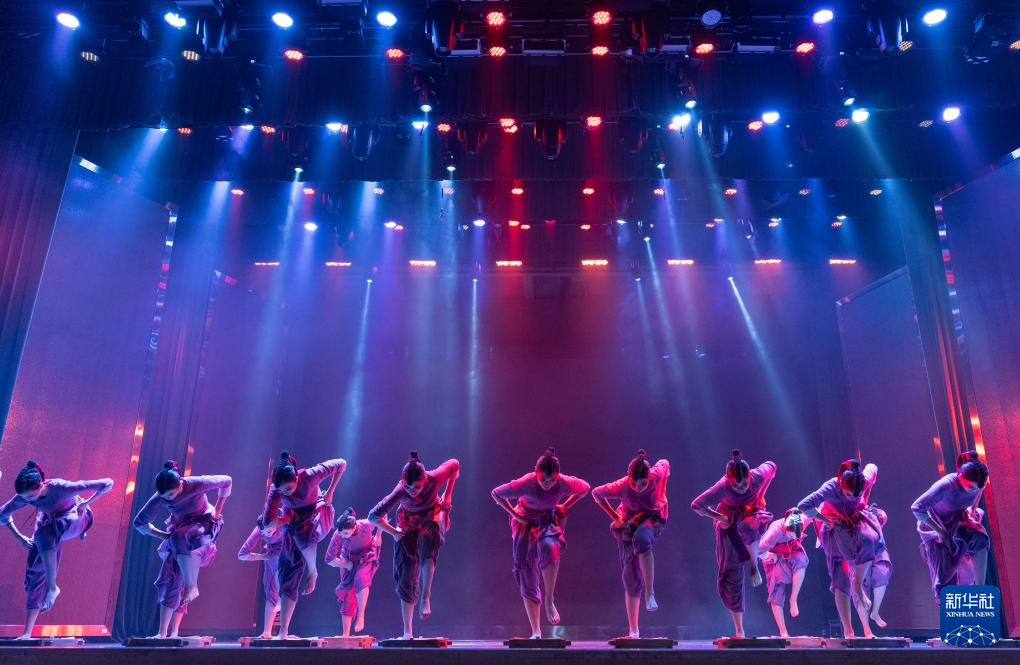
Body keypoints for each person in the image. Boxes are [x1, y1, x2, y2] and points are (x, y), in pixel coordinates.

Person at [0, 461, 113, 640]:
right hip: (49, 520)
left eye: (31, 497)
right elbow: (2, 514)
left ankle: (52, 587)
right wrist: (19, 537)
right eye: (26, 499)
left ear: (41, 485)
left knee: (45, 533)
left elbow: (107, 483)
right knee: (34, 570)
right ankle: (27, 633)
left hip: (76, 517)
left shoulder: (61, 488)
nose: (29, 501)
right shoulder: (25, 496)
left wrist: (86, 503)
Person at [491, 448, 590, 639]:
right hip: (526, 522)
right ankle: (536, 630)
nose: (547, 483)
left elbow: (585, 488)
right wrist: (515, 515)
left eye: (551, 480)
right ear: (536, 473)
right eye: (543, 479)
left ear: (557, 476)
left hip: (546, 520)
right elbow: (497, 494)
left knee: (550, 546)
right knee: (526, 571)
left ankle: (549, 600)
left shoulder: (563, 482)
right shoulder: (527, 482)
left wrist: (564, 505)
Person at [133, 461, 231, 638]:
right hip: (180, 531)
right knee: (171, 576)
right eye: (164, 497)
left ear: (179, 485)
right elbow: (139, 522)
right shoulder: (162, 496)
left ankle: (191, 586)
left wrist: (217, 510)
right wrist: (163, 535)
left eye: (170, 495)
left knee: (179, 540)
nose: (168, 499)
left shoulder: (196, 483)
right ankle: (163, 633)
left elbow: (227, 481)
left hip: (204, 525)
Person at [368, 451, 460, 640]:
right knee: (406, 572)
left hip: (430, 516)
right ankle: (407, 632)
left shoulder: (434, 477)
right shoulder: (400, 490)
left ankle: (426, 597)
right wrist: (394, 532)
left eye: (416, 487)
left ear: (424, 479)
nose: (412, 491)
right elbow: (373, 516)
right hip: (407, 522)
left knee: (429, 546)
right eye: (408, 488)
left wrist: (448, 493)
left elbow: (454, 464)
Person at [797, 459, 887, 638]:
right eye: (847, 494)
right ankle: (848, 631)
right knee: (840, 579)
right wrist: (825, 520)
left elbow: (873, 467)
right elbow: (804, 505)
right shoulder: (831, 486)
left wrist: (865, 496)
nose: (851, 498)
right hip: (834, 529)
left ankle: (860, 597)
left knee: (870, 539)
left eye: (856, 495)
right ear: (841, 484)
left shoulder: (864, 479)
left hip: (855, 523)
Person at [261, 452, 346, 639]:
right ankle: (283, 631)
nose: (285, 493)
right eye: (281, 491)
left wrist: (330, 492)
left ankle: (312, 571)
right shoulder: (276, 490)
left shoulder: (310, 475)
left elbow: (341, 463)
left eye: (288, 488)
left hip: (317, 515)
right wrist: (277, 522)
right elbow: (267, 522)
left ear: (297, 479)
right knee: (287, 574)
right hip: (292, 522)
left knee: (303, 535)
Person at [691, 450, 776, 638]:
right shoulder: (723, 486)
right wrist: (719, 516)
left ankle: (754, 563)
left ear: (749, 477)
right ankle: (740, 630)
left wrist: (761, 494)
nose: (741, 488)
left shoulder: (757, 476)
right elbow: (697, 505)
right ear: (729, 481)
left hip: (751, 516)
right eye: (736, 485)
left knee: (747, 526)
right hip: (728, 523)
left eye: (744, 483)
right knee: (731, 572)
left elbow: (772, 466)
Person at [592, 450, 669, 638]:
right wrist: (615, 517)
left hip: (651, 518)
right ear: (629, 478)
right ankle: (633, 629)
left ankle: (650, 593)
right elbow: (596, 493)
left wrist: (662, 492)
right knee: (630, 574)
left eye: (642, 484)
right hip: (628, 523)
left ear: (649, 478)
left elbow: (665, 463)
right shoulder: (623, 485)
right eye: (634, 483)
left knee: (642, 539)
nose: (638, 487)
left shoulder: (656, 475)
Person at [911, 450, 990, 599]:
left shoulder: (978, 483)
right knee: (945, 579)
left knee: (980, 539)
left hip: (958, 520)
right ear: (960, 476)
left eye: (978, 487)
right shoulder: (946, 485)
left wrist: (973, 509)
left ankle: (980, 590)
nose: (974, 490)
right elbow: (916, 507)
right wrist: (940, 531)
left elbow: (980, 489)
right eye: (971, 487)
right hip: (937, 525)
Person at [325, 508, 382, 637]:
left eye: (346, 533)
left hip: (367, 554)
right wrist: (346, 564)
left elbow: (381, 516)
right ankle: (345, 633)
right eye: (341, 533)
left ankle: (361, 615)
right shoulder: (338, 534)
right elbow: (329, 558)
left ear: (354, 526)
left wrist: (379, 535)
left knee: (361, 577)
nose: (343, 535)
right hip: (349, 558)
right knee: (347, 593)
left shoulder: (365, 525)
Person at [758, 508, 814, 638]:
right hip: (774, 554)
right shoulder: (775, 532)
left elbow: (816, 509)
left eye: (797, 533)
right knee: (776, 590)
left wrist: (827, 521)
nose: (794, 535)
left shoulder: (803, 519)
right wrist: (769, 556)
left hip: (792, 549)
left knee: (801, 561)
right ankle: (783, 631)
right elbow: (757, 550)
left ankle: (793, 599)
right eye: (792, 533)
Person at [237, 513, 285, 638]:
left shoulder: (284, 521)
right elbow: (242, 555)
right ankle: (267, 631)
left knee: (276, 560)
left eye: (269, 531)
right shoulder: (259, 529)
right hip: (271, 552)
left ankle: (282, 596)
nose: (267, 534)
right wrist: (264, 556)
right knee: (270, 589)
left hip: (287, 551)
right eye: (264, 532)